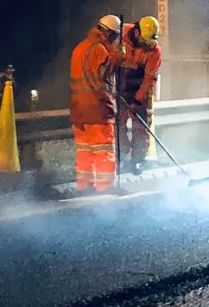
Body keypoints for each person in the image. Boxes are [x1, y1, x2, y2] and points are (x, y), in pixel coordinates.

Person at [68, 15, 122, 191]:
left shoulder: (79, 48)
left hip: (78, 109)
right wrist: (116, 58)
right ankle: (106, 187)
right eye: (113, 37)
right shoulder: (98, 49)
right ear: (107, 33)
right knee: (104, 150)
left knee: (85, 151)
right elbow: (103, 77)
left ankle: (85, 186)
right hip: (97, 109)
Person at [114, 15, 162, 173]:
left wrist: (138, 99)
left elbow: (150, 77)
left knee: (141, 126)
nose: (149, 44)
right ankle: (123, 156)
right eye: (146, 40)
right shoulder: (121, 35)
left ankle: (137, 160)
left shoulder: (154, 50)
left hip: (139, 89)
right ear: (137, 32)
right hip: (120, 87)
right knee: (118, 124)